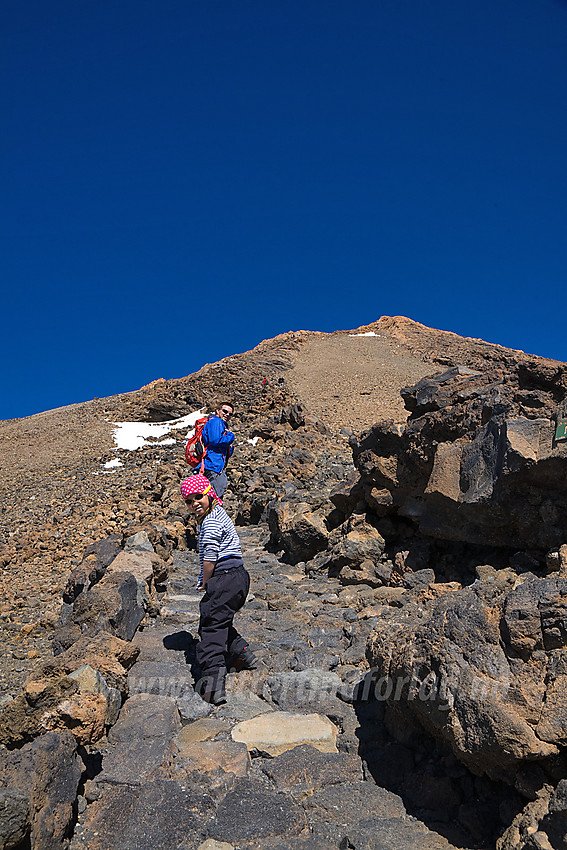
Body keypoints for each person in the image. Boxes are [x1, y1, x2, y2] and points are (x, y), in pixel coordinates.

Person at [181, 473, 256, 705]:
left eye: (198, 497)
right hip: (238, 577)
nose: (194, 503)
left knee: (211, 628)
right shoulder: (217, 512)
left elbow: (210, 555)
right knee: (217, 618)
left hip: (224, 578)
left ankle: (213, 686)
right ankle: (241, 651)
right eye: (189, 501)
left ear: (209, 494)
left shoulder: (211, 521)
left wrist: (205, 580)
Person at [201, 402, 235, 498]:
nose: (227, 414)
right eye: (225, 411)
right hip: (213, 465)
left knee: (211, 496)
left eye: (230, 414)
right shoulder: (215, 421)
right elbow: (215, 440)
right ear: (218, 410)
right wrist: (231, 436)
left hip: (213, 465)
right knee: (214, 497)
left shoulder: (220, 424)